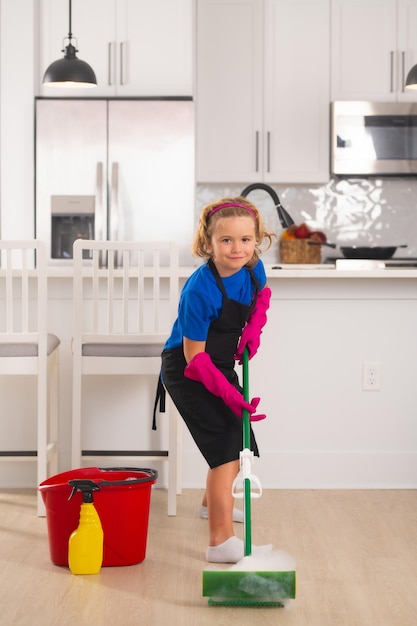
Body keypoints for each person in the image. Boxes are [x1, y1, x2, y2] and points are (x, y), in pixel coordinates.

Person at [161, 196, 275, 563]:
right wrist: (229, 393)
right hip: (187, 369)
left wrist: (252, 331)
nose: (237, 248)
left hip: (220, 363)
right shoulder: (199, 290)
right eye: (226, 240)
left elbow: (260, 301)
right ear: (207, 243)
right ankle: (220, 542)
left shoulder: (254, 268)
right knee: (227, 448)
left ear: (257, 239)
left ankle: (213, 506)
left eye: (245, 239)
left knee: (236, 431)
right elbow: (195, 358)